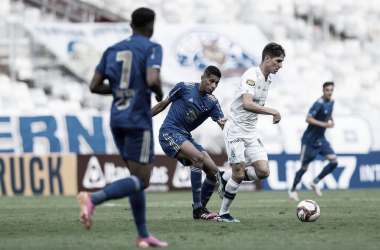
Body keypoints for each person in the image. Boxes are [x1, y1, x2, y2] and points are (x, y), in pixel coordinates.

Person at [76, 8, 168, 248]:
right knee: (143, 179)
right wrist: (157, 92)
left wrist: (118, 89)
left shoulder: (112, 49)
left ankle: (143, 235)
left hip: (117, 119)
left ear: (131, 24)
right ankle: (93, 199)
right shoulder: (152, 47)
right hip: (138, 119)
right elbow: (152, 79)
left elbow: (94, 86)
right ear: (151, 25)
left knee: (135, 177)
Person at [215, 42, 285, 222]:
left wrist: (231, 114)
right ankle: (223, 214)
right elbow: (247, 103)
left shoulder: (268, 79)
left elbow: (241, 103)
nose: (280, 66)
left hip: (250, 132)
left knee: (263, 171)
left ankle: (226, 177)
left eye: (282, 62)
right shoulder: (251, 75)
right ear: (267, 58)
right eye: (278, 61)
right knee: (239, 174)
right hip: (236, 132)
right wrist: (274, 111)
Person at [151, 65, 227, 220]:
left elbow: (222, 124)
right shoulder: (184, 87)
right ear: (203, 78)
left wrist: (229, 127)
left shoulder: (212, 102)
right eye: (211, 81)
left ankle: (200, 210)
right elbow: (162, 105)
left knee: (214, 173)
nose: (213, 86)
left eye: (217, 83)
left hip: (186, 136)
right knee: (197, 158)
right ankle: (198, 208)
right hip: (169, 132)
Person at [288, 82, 336, 201]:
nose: (329, 92)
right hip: (309, 141)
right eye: (327, 90)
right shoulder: (318, 104)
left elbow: (328, 114)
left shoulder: (332, 102)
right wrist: (325, 124)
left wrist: (332, 121)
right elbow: (308, 118)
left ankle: (315, 181)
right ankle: (293, 189)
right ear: (323, 91)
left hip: (321, 140)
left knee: (334, 162)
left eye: (331, 90)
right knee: (304, 168)